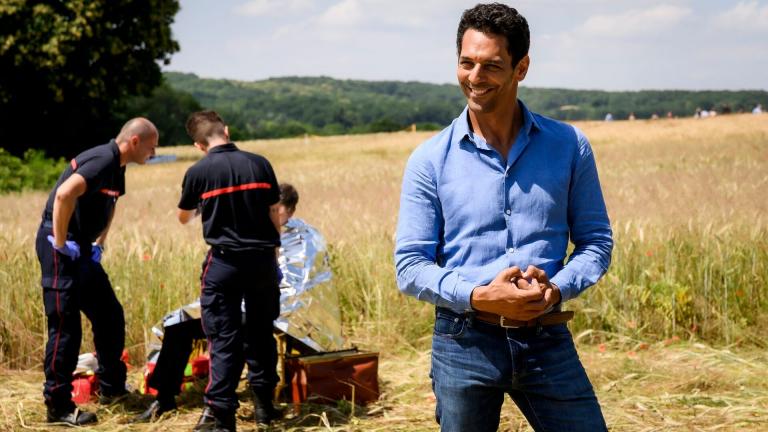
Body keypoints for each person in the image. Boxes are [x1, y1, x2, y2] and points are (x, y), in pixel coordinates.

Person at [394, 4, 613, 432]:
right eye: (466, 63)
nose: (475, 77)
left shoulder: (569, 146)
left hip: (547, 338)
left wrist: (556, 289)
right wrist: (479, 296)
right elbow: (409, 266)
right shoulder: (429, 160)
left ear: (521, 68)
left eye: (492, 65)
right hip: (463, 341)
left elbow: (597, 242)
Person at [134, 183, 302, 424]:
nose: (271, 213)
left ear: (290, 211)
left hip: (264, 309)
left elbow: (296, 287)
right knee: (178, 328)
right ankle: (164, 398)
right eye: (268, 208)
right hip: (227, 304)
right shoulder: (246, 229)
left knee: (247, 330)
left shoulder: (299, 237)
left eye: (278, 209)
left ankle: (257, 407)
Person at [35, 118, 159, 425]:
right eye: (152, 147)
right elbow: (64, 194)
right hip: (60, 246)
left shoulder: (117, 166)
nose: (154, 153)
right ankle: (58, 407)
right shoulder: (102, 159)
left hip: (82, 248)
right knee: (66, 327)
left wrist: (98, 242)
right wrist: (61, 244)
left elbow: (110, 202)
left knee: (109, 315)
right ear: (134, 141)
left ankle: (111, 388)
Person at [177, 111, 282, 431]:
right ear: (227, 131)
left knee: (223, 337)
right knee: (262, 332)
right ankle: (265, 407)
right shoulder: (260, 163)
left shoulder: (198, 171)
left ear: (198, 145)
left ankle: (222, 416)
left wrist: (207, 205)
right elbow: (274, 211)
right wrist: (274, 252)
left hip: (224, 264)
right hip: (262, 260)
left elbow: (184, 217)